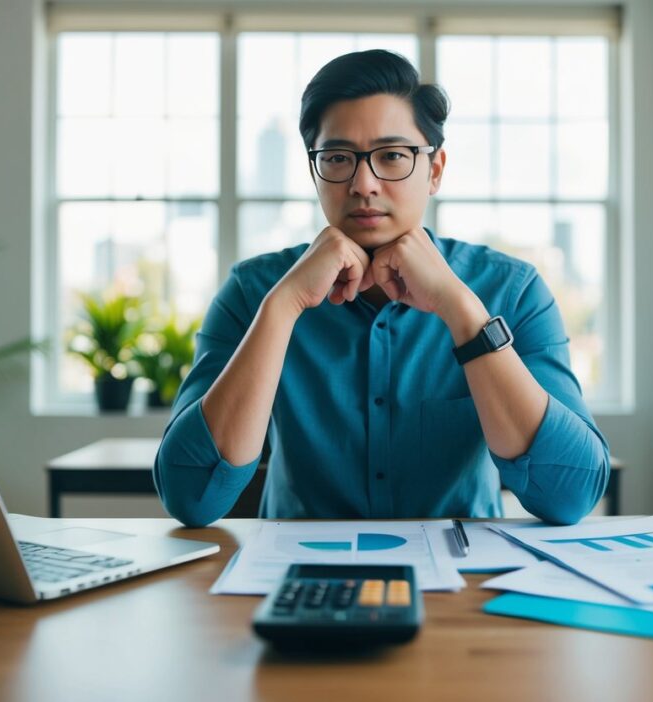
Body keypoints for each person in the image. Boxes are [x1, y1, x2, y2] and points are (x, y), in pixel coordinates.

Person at [154, 50, 609, 527]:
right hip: (295, 575)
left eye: (392, 156)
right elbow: (191, 498)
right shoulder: (254, 291)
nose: (363, 183)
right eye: (337, 158)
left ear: (434, 170)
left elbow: (571, 495)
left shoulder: (512, 290)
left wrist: (461, 311)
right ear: (315, 172)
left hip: (463, 580)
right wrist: (283, 307)